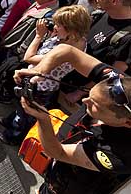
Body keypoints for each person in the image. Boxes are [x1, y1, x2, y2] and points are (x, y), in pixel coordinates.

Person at [14, 45, 131, 194]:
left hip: (70, 186)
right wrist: (40, 70)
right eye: (89, 95)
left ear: (127, 122)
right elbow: (67, 51)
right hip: (55, 170)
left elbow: (58, 152)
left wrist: (43, 119)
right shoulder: (117, 85)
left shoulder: (121, 154)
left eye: (96, 106)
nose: (84, 101)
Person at [0, 5, 90, 145]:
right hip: (35, 81)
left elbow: (29, 57)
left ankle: (12, 137)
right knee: (21, 108)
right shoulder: (69, 39)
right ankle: (10, 122)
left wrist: (39, 35)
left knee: (27, 114)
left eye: (59, 25)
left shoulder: (66, 51)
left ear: (71, 29)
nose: (55, 27)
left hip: (40, 87)